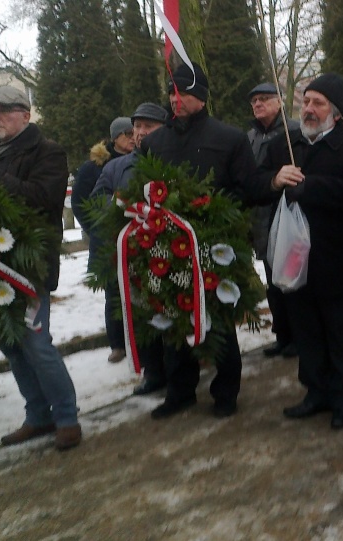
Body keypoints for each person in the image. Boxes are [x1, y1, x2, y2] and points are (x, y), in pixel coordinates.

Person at [256, 73, 343, 430]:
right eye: (306, 101)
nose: (308, 109)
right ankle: (316, 391)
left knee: (340, 331)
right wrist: (275, 180)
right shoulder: (286, 145)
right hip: (294, 258)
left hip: (334, 256)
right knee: (306, 329)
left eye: (318, 103)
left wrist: (312, 187)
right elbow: (257, 181)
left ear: (336, 113)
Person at [140, 63, 259, 419]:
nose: (176, 100)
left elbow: (247, 189)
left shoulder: (229, 139)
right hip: (168, 246)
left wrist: (214, 212)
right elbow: (142, 189)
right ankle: (180, 390)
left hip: (214, 246)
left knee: (218, 319)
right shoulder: (153, 142)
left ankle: (226, 392)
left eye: (184, 93)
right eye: (172, 92)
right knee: (174, 316)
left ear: (202, 98)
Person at [0, 85, 82, 451]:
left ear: (26, 115)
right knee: (12, 346)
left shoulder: (47, 152)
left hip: (29, 267)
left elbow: (44, 199)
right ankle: (37, 415)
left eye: (3, 110)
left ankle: (66, 417)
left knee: (35, 343)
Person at [91, 103, 169, 396]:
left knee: (170, 311)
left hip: (169, 252)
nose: (140, 133)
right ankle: (152, 372)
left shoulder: (173, 160)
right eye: (137, 127)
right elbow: (96, 202)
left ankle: (179, 367)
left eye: (148, 127)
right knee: (140, 316)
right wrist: (118, 206)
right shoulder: (115, 167)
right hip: (132, 255)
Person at [72, 116, 134, 365]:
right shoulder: (93, 168)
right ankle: (118, 344)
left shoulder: (141, 159)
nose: (132, 136)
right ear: (114, 138)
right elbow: (79, 202)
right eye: (126, 133)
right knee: (114, 291)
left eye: (134, 132)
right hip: (107, 239)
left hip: (138, 235)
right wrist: (97, 227)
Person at [247, 82, 299, 359]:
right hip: (261, 222)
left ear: (279, 101)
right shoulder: (249, 138)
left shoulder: (294, 133)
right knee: (273, 282)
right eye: (254, 100)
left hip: (288, 220)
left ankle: (299, 336)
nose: (258, 104)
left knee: (292, 281)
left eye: (264, 98)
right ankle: (282, 334)